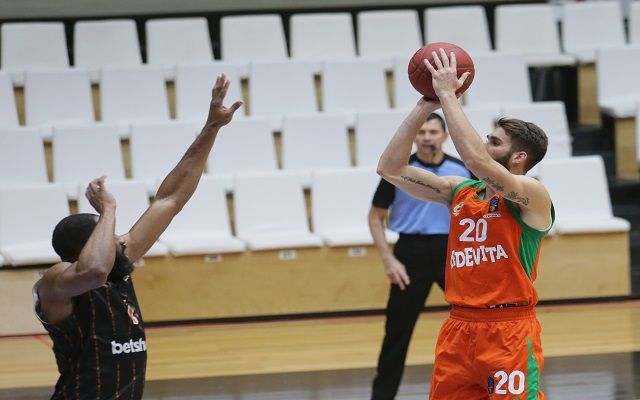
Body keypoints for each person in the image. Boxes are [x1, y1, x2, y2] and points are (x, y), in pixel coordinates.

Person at [33, 74, 242, 400]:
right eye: (108, 235)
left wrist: (211, 127)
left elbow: (170, 199)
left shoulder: (117, 265)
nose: (120, 239)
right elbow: (94, 271)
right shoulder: (57, 281)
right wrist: (108, 210)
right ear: (83, 249)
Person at [377, 49, 554, 399]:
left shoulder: (530, 194)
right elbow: (390, 169)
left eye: (494, 142)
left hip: (508, 330)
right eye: (487, 138)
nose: (485, 144)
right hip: (459, 327)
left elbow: (474, 159)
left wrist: (447, 95)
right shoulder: (459, 191)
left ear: (519, 157)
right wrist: (424, 106)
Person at [369, 113, 470, 400]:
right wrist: (389, 260)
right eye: (422, 132)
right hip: (409, 254)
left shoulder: (462, 170)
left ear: (444, 136)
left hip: (452, 253)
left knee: (474, 323)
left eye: (433, 132)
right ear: (414, 137)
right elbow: (375, 217)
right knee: (397, 332)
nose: (427, 137)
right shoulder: (399, 171)